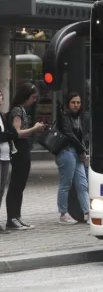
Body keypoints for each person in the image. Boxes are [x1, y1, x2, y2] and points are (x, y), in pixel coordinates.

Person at [6, 82, 45, 231]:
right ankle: (12, 217)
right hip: (19, 150)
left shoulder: (21, 109)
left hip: (23, 149)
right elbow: (17, 133)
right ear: (26, 96)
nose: (34, 101)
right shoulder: (18, 110)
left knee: (20, 185)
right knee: (17, 184)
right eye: (33, 97)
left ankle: (17, 216)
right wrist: (34, 129)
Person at [55, 92, 89, 225]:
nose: (76, 105)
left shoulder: (79, 118)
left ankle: (87, 212)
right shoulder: (64, 117)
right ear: (68, 104)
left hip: (76, 152)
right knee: (66, 183)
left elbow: (80, 136)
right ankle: (63, 213)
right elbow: (69, 134)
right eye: (73, 102)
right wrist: (82, 150)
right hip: (67, 152)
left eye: (78, 102)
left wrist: (81, 150)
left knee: (82, 184)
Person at [0, 88, 19, 234]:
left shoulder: (3, 116)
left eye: (0, 96)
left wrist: (6, 135)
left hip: (6, 157)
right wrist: (6, 135)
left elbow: (13, 133)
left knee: (1, 190)